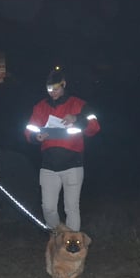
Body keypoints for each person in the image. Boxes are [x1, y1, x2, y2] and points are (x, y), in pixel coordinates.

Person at [24, 67, 100, 232]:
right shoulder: (40, 107)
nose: (52, 93)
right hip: (48, 165)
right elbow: (29, 130)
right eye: (49, 89)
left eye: (56, 89)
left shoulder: (79, 104)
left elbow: (94, 127)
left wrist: (77, 118)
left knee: (71, 208)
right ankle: (57, 237)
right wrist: (35, 137)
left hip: (73, 164)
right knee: (48, 208)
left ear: (63, 84)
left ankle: (72, 243)